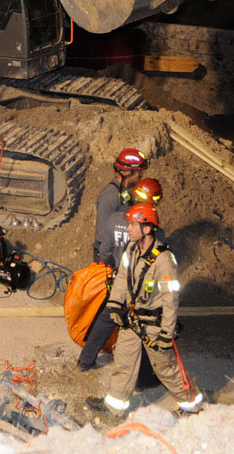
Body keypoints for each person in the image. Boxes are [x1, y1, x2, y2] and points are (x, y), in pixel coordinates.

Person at [85, 202, 204, 422]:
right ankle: (114, 406)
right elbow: (122, 278)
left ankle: (192, 406)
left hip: (155, 325)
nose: (128, 228)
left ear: (147, 229)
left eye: (132, 224)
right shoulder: (131, 250)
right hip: (132, 319)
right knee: (124, 362)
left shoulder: (164, 261)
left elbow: (170, 300)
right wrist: (114, 305)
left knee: (165, 368)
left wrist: (166, 334)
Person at [77, 148, 151, 371]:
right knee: (109, 312)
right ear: (127, 171)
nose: (139, 176)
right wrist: (106, 265)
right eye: (137, 172)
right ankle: (90, 354)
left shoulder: (124, 192)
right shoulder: (110, 197)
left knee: (110, 313)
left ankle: (90, 356)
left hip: (120, 260)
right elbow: (103, 235)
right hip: (110, 261)